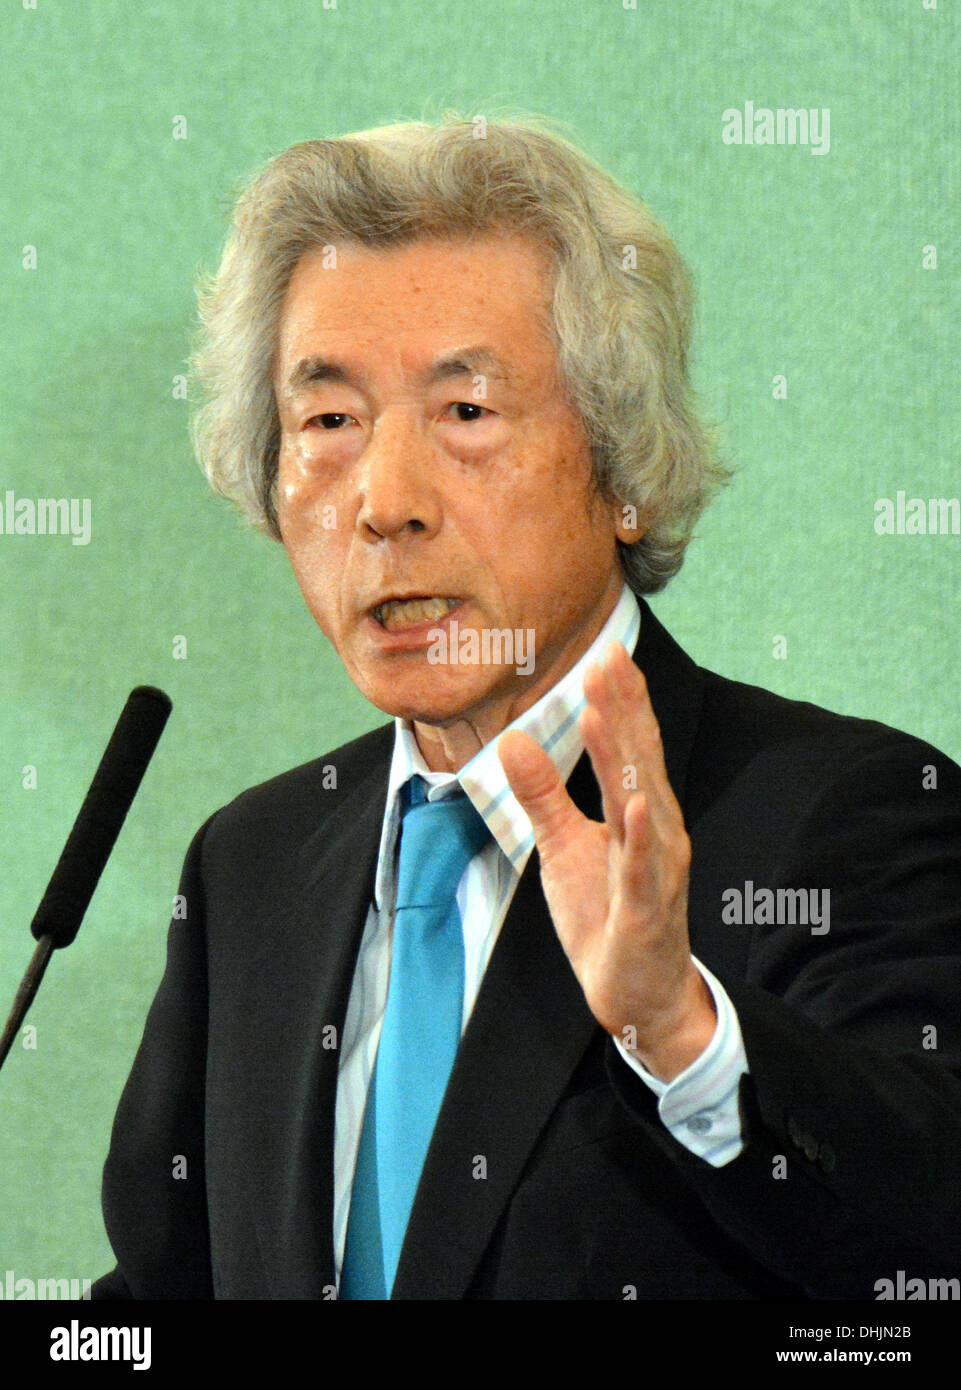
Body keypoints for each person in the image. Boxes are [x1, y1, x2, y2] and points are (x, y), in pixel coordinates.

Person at [91, 116, 961, 1300]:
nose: (384, 503)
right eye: (330, 423)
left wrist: (679, 1031)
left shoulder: (846, 818)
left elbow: (924, 1247)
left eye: (467, 414)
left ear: (621, 470)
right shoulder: (254, 865)